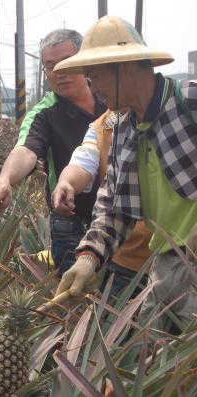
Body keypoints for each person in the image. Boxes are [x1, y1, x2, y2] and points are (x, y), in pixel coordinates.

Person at [53, 15, 197, 333]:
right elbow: (114, 206)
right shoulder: (122, 129)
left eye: (95, 77)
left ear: (126, 66)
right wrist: (87, 259)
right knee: (151, 365)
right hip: (163, 265)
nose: (95, 89)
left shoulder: (189, 101)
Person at [0, 29, 107, 277]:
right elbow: (27, 149)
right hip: (72, 219)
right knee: (75, 301)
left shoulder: (111, 97)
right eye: (49, 66)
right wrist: (5, 179)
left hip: (120, 214)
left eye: (65, 62)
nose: (58, 72)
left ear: (84, 60)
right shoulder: (44, 113)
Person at [51, 109, 152, 299]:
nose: (95, 86)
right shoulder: (103, 127)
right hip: (127, 260)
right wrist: (66, 182)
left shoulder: (176, 113)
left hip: (181, 261)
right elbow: (83, 162)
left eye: (97, 77)